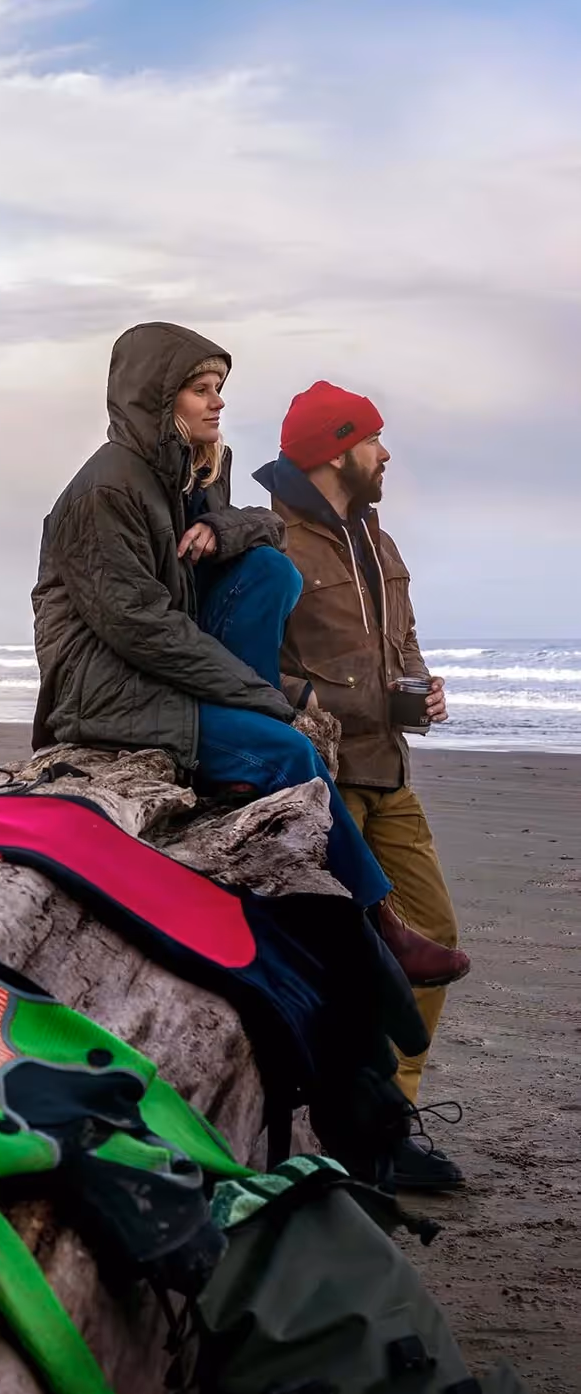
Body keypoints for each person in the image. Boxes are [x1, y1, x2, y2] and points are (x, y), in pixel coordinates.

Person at [28, 324, 465, 986]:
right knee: (290, 749)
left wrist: (217, 524)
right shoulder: (106, 491)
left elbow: (268, 529)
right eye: (200, 391)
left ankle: (250, 749)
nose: (217, 403)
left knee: (269, 570)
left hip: (165, 672)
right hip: (111, 690)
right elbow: (139, 629)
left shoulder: (187, 474)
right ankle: (380, 925)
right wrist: (266, 699)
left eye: (219, 389)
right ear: (157, 399)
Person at [253, 381, 469, 1190]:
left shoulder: (379, 541)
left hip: (390, 773)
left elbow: (401, 648)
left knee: (432, 936)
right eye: (374, 440)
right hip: (324, 782)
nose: (386, 455)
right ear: (336, 449)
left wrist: (423, 689)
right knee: (339, 963)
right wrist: (320, 703)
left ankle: (392, 1117)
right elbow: (249, 667)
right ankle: (351, 1128)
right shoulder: (272, 543)